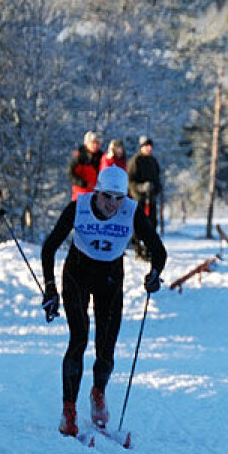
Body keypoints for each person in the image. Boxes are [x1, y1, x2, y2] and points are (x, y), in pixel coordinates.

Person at [40, 166, 167, 438]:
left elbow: (159, 250)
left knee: (106, 347)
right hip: (77, 274)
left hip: (110, 279)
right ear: (97, 191)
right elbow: (49, 247)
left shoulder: (131, 211)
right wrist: (50, 289)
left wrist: (155, 274)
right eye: (107, 196)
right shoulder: (78, 208)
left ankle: (98, 392)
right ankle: (69, 410)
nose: (112, 204)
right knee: (79, 338)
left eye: (118, 198)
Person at [127, 135, 162, 231]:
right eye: (146, 146)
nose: (149, 148)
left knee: (152, 224)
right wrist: (141, 188)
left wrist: (156, 188)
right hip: (138, 199)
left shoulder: (153, 161)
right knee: (139, 225)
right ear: (141, 147)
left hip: (151, 199)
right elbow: (130, 181)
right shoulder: (135, 161)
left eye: (150, 146)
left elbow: (157, 179)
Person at [67, 131, 102, 201]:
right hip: (81, 194)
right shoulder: (79, 157)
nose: (95, 145)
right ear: (87, 143)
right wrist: (82, 183)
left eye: (97, 143)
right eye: (93, 142)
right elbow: (70, 174)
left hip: (97, 195)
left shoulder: (102, 158)